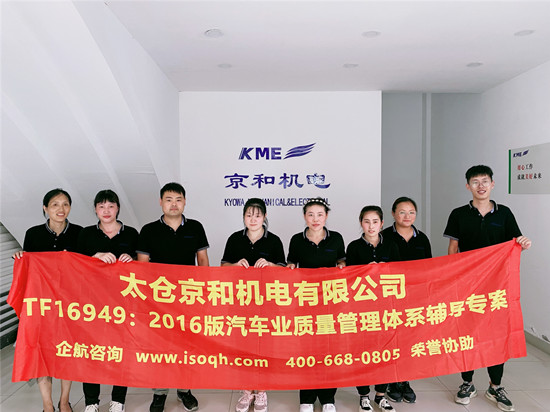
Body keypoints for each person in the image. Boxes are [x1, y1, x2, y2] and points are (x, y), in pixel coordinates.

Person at [444, 165, 531, 412]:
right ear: (468, 186)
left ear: (492, 184)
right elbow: (453, 249)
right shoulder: (459, 214)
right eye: (475, 181)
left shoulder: (504, 213)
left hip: (497, 286)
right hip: (467, 284)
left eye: (485, 181)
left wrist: (523, 243)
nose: (480, 186)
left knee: (496, 334)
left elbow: (515, 242)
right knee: (467, 333)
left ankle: (495, 386)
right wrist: (452, 279)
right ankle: (467, 383)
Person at [137, 182, 210, 412]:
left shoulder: (195, 227)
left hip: (188, 296)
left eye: (178, 199)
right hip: (159, 298)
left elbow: (202, 260)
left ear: (185, 202)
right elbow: (142, 266)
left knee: (186, 344)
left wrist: (205, 290)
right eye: (169, 200)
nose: (174, 204)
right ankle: (159, 393)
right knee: (159, 346)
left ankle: (184, 389)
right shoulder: (148, 230)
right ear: (161, 202)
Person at [12, 188, 82, 412]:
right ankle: (47, 405)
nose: (61, 209)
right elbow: (29, 267)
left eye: (65, 204)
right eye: (55, 204)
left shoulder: (79, 233)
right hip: (41, 306)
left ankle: (64, 402)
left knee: (67, 352)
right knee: (41, 353)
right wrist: (21, 258)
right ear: (45, 208)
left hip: (70, 305)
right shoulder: (33, 234)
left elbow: (86, 268)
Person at [221, 198, 286, 412]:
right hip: (241, 302)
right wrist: (234, 265)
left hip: (267, 303)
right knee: (243, 347)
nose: (253, 219)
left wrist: (270, 265)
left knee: (264, 347)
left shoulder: (274, 241)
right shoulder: (234, 239)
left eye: (257, 215)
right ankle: (247, 390)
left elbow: (284, 271)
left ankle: (262, 391)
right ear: (243, 217)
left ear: (264, 217)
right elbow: (223, 267)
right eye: (249, 215)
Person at [77, 190, 139, 412]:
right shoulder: (85, 234)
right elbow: (73, 264)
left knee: (121, 351)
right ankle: (91, 402)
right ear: (95, 209)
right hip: (92, 304)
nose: (106, 211)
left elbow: (144, 265)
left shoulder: (131, 234)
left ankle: (118, 400)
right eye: (101, 206)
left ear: (117, 208)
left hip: (123, 303)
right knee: (91, 351)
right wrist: (93, 257)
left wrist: (132, 260)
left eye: (110, 206)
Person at [287, 197, 345, 412]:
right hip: (306, 302)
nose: (315, 219)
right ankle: (307, 398)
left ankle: (328, 398)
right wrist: (290, 268)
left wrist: (342, 266)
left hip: (330, 302)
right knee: (307, 350)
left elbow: (342, 261)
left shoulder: (336, 238)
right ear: (304, 217)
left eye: (320, 214)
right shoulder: (297, 239)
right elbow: (291, 262)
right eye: (310, 214)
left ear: (326, 216)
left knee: (329, 349)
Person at [346, 206, 400, 412]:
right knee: (363, 351)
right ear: (361, 223)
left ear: (382, 224)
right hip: (362, 308)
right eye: (366, 222)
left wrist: (383, 269)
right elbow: (348, 278)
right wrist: (364, 271)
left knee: (385, 350)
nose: (371, 226)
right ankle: (363, 396)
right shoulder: (354, 247)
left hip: (386, 307)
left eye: (375, 222)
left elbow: (400, 273)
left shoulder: (391, 245)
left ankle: (380, 395)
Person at [380, 197, 432, 404]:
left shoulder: (422, 238)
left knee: (410, 339)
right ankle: (390, 380)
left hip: (414, 297)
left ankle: (404, 380)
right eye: (402, 212)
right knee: (391, 338)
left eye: (411, 212)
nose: (407, 216)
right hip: (389, 297)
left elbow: (429, 268)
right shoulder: (384, 236)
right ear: (393, 214)